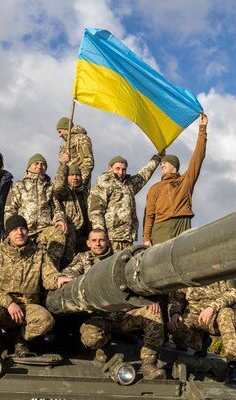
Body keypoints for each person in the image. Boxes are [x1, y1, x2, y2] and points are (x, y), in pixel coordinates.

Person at [61, 229, 166, 380]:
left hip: (123, 314)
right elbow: (69, 273)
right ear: (88, 243)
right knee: (91, 337)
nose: (98, 243)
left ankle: (149, 364)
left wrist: (150, 301)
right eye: (94, 240)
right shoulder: (83, 258)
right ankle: (103, 348)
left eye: (102, 240)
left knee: (154, 313)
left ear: (108, 241)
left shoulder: (120, 259)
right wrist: (64, 278)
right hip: (99, 316)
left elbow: (139, 279)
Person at [0, 215, 72, 356]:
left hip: (27, 308)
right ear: (8, 234)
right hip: (2, 306)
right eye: (14, 229)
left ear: (27, 231)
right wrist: (8, 303)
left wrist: (58, 279)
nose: (19, 233)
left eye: (22, 228)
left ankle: (20, 340)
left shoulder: (39, 254)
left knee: (46, 320)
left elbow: (49, 275)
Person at [144, 113, 208, 246]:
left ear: (174, 165)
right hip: (161, 229)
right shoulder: (155, 188)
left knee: (183, 260)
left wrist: (202, 129)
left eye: (165, 163)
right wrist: (146, 238)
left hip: (182, 224)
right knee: (160, 263)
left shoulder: (185, 181)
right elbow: (149, 214)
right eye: (161, 164)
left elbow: (198, 156)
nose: (162, 165)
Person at [168, 280, 236, 382]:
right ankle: (202, 342)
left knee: (227, 313)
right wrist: (175, 313)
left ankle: (234, 365)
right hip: (193, 316)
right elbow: (177, 297)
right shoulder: (188, 271)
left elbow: (233, 293)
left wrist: (212, 307)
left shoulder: (223, 268)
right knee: (176, 329)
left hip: (215, 315)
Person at [88, 152, 163, 252]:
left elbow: (143, 175)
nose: (121, 172)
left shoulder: (128, 185)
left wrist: (157, 158)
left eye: (123, 169)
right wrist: (100, 235)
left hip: (128, 236)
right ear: (109, 168)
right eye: (117, 168)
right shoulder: (103, 184)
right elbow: (96, 210)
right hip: (111, 237)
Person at [3, 154, 68, 269]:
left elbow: (58, 209)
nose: (39, 166)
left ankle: (51, 269)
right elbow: (10, 210)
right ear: (29, 167)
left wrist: (60, 219)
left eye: (43, 164)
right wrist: (10, 229)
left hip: (44, 230)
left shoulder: (49, 188)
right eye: (36, 163)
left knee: (59, 232)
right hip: (24, 230)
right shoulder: (18, 186)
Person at [53, 158, 90, 268]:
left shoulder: (84, 192)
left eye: (77, 175)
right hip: (69, 233)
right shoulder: (64, 191)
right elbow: (59, 186)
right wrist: (63, 165)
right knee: (67, 262)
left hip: (84, 235)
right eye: (72, 175)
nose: (75, 177)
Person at [56, 117, 94, 187]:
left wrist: (82, 181)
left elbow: (88, 161)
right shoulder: (65, 144)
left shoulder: (82, 138)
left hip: (78, 183)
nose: (59, 135)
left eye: (60, 131)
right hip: (66, 184)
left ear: (66, 129)